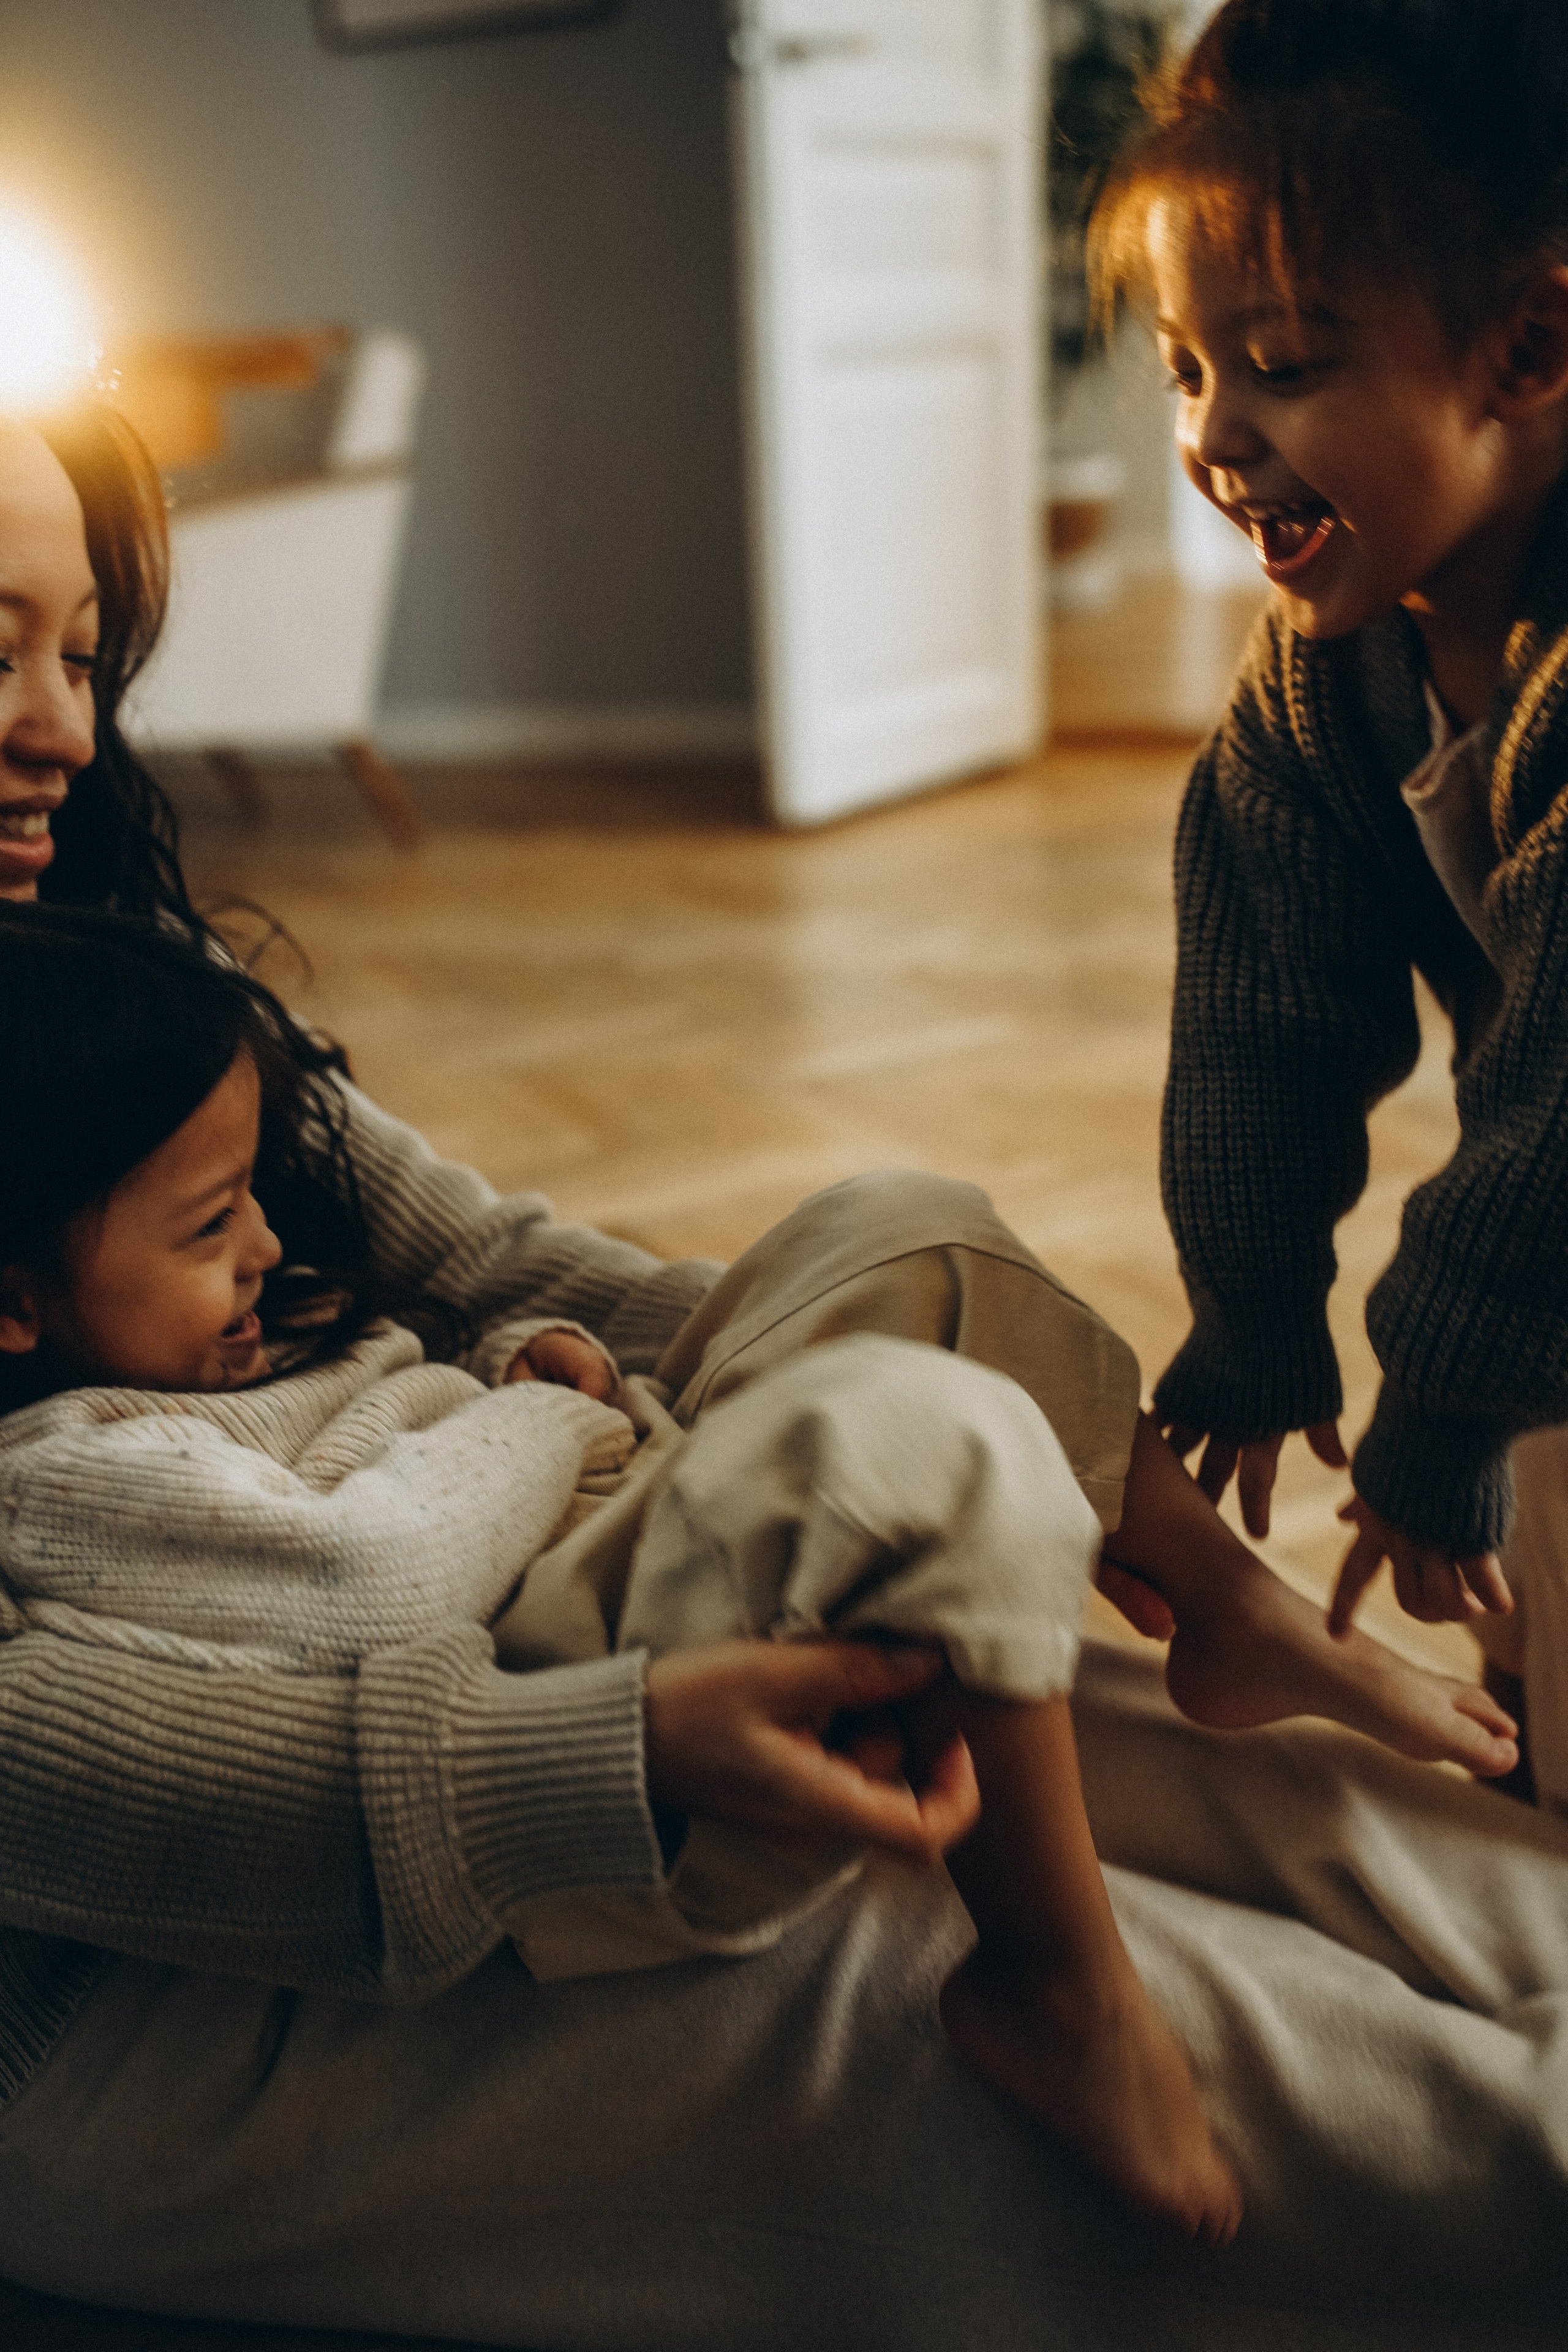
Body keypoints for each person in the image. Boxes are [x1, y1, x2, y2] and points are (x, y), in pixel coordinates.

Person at [0, 903, 1526, 2249]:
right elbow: (369, 1583)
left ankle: (1226, 1606)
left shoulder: (207, 1285)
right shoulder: (71, 1476)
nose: (268, 1244)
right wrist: (553, 1416)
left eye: (254, 1196)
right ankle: (1056, 1988)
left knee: (908, 1236)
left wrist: (575, 1354)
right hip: (551, 1724)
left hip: (606, 1538)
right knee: (917, 1440)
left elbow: (469, 1291)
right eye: (212, 1222)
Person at [1091, 0, 1568, 1803]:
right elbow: (1259, 1022)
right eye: (1183, 366)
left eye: (1283, 364)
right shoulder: (1316, 687)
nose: (1216, 436)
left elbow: (1557, 1124)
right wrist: (1253, 1315)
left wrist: (1440, 1414)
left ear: (1528, 348)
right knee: (1532, 1590)